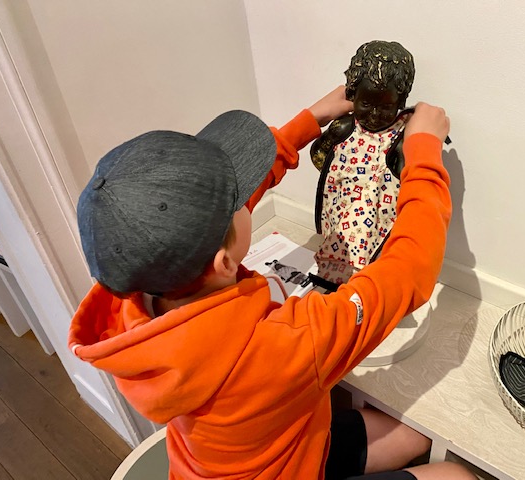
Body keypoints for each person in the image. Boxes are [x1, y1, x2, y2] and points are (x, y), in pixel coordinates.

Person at [68, 86, 475, 480]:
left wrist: (309, 121)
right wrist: (423, 152)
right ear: (224, 263)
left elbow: (213, 222)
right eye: (239, 198)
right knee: (456, 474)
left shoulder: (133, 295)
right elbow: (408, 270)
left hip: (244, 459)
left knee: (411, 436)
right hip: (287, 467)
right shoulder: (287, 343)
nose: (248, 196)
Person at [311, 41, 418, 286]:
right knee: (337, 249)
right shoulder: (344, 128)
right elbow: (319, 155)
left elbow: (410, 179)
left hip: (380, 217)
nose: (375, 114)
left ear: (401, 102)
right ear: (352, 96)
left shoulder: (400, 138)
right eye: (366, 104)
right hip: (340, 209)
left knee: (378, 262)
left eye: (386, 106)